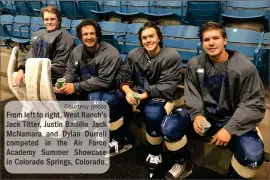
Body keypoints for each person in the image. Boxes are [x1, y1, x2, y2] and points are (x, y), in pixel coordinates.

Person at [170, 21, 265, 179]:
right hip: (206, 115)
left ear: (225, 40)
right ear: (202, 43)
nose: (211, 43)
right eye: (206, 40)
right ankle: (183, 163)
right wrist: (197, 115)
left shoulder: (245, 68)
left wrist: (229, 128)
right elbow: (192, 94)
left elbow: (253, 104)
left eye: (216, 38)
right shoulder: (195, 64)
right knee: (170, 125)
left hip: (232, 119)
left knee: (252, 156)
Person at [117, 22, 190, 179]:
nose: (148, 40)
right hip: (137, 93)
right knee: (112, 99)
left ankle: (157, 153)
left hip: (165, 97)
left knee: (153, 113)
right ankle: (121, 139)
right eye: (144, 38)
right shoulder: (134, 54)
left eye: (151, 36)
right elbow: (123, 75)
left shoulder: (171, 55)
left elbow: (167, 86)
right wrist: (128, 91)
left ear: (159, 38)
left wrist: (139, 97)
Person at [54, 19, 132, 157]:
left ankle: (119, 139)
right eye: (85, 34)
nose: (89, 37)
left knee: (96, 98)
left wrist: (75, 86)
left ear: (97, 35)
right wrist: (64, 83)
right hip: (90, 89)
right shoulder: (77, 51)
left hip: (114, 92)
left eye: (92, 33)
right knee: (62, 94)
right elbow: (71, 71)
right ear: (80, 36)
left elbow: (104, 81)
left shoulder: (110, 52)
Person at [15, 5, 74, 86]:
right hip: (37, 74)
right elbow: (30, 56)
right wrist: (22, 69)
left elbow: (60, 65)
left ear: (59, 20)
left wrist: (34, 72)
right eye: (46, 19)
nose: (49, 22)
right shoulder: (40, 34)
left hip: (53, 78)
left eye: (52, 19)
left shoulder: (65, 37)